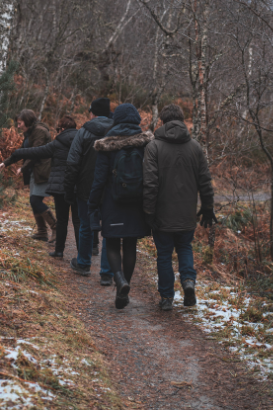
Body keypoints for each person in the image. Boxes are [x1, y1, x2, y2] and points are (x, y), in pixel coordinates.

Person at [143, 104, 215, 311]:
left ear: (162, 122)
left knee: (164, 254)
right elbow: (205, 180)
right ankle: (188, 282)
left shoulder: (154, 147)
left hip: (162, 214)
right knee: (185, 247)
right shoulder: (195, 146)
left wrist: (148, 212)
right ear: (182, 121)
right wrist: (208, 207)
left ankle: (167, 297)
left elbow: (150, 183)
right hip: (187, 213)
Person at [88, 103, 153, 309]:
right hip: (136, 202)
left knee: (113, 243)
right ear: (136, 120)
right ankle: (125, 286)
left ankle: (119, 279)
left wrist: (93, 204)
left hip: (112, 201)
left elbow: (98, 179)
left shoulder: (106, 144)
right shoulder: (145, 143)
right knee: (131, 245)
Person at [7, 116, 80, 258]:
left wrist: (17, 153)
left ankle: (59, 251)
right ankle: (82, 256)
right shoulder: (82, 142)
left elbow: (36, 151)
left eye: (59, 129)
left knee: (63, 220)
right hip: (77, 186)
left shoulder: (57, 143)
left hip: (61, 187)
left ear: (62, 129)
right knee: (78, 221)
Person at [64, 98, 115, 282]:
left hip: (86, 187)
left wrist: (69, 189)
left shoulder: (84, 131)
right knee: (109, 230)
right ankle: (107, 274)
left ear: (92, 112)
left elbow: (72, 162)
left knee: (85, 226)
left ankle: (84, 264)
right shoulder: (117, 131)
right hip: (111, 189)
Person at [0, 109, 57, 242]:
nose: (18, 126)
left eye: (20, 123)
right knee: (33, 201)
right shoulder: (30, 132)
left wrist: (23, 168)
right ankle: (42, 232)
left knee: (36, 200)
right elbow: (22, 152)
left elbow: (36, 153)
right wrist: (5, 163)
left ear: (27, 121)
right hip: (34, 171)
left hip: (42, 170)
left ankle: (55, 227)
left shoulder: (40, 131)